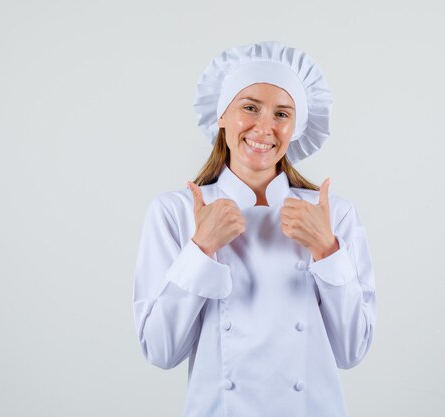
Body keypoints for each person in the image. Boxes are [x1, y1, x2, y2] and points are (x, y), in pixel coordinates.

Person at [132, 41, 376, 417]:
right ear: (222, 116)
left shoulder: (334, 215)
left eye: (282, 113)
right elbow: (160, 351)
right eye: (250, 108)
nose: (265, 127)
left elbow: (352, 351)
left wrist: (327, 251)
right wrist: (201, 248)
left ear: (296, 128)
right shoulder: (175, 212)